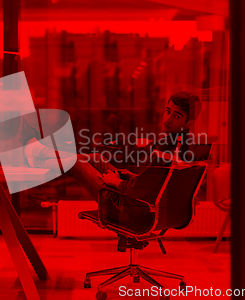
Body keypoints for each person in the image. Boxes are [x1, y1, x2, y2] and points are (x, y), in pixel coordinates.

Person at [67, 91, 202, 229]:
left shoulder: (167, 151)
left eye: (176, 116)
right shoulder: (186, 147)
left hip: (131, 212)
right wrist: (133, 177)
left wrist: (116, 182)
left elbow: (139, 190)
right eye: (168, 111)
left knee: (74, 162)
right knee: (95, 158)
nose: (168, 119)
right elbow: (159, 185)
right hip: (145, 206)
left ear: (188, 124)